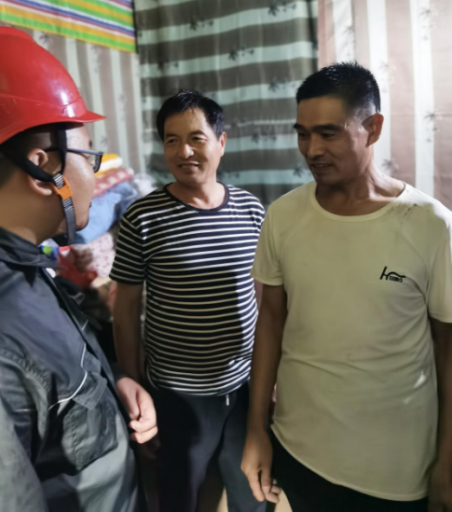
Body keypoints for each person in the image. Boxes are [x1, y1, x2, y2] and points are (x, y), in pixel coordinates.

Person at [241, 62, 452, 512]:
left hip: (396, 468)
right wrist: (257, 428)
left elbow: (448, 350)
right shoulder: (282, 217)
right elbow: (270, 323)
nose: (312, 150)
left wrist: (448, 459)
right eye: (303, 134)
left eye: (328, 133)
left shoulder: (431, 225)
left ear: (372, 128)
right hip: (299, 449)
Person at [0, 27, 157, 512]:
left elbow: (53, 385)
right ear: (44, 168)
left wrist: (111, 383)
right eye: (90, 157)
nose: (94, 172)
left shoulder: (30, 266)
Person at [110, 91, 267, 512]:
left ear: (221, 142)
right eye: (171, 140)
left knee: (252, 491)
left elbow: (264, 298)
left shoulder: (251, 210)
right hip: (176, 393)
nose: (184, 152)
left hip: (244, 386)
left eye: (196, 138)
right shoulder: (143, 217)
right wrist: (136, 390)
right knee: (179, 496)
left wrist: (270, 377)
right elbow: (125, 311)